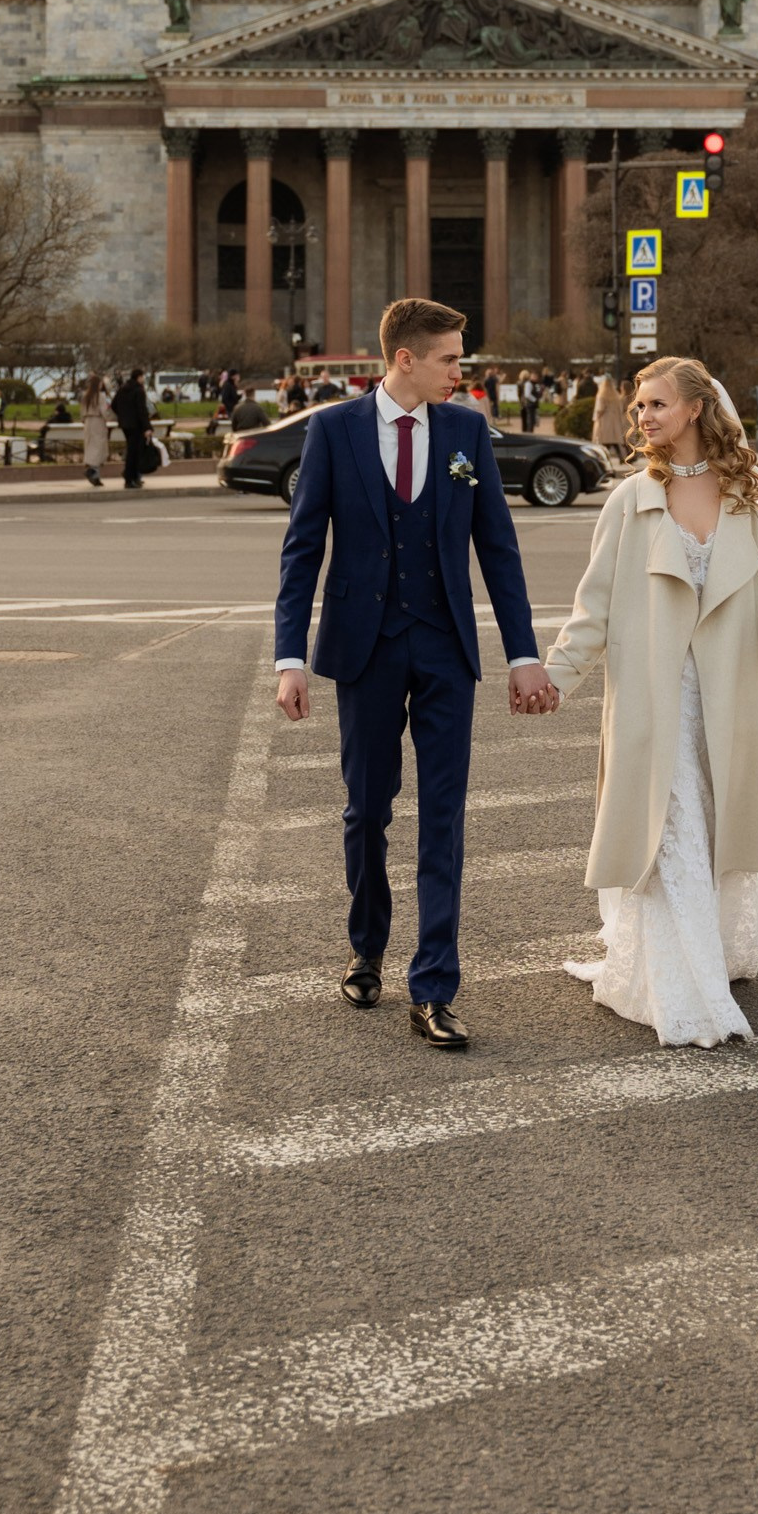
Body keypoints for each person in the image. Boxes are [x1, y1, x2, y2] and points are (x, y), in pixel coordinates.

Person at [272, 296, 558, 1050]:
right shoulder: (334, 430)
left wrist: (523, 653)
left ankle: (433, 986)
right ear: (406, 358)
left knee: (444, 817)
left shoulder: (465, 432)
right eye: (451, 359)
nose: (461, 373)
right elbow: (303, 549)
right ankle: (367, 945)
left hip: (443, 648)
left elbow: (498, 547)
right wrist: (290, 658)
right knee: (367, 809)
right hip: (363, 649)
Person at [545, 356, 758, 1048]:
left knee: (715, 827)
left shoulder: (750, 497)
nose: (642, 416)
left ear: (695, 409)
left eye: (656, 404)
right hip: (652, 699)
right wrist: (555, 677)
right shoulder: (630, 500)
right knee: (668, 832)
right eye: (638, 406)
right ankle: (683, 985)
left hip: (727, 699)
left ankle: (710, 954)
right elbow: (594, 608)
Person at [111, 368, 152, 490]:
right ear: (139, 377)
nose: (143, 379)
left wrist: (123, 416)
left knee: (131, 450)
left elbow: (113, 405)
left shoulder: (122, 389)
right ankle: (130, 478)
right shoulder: (139, 390)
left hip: (125, 425)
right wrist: (147, 427)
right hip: (136, 425)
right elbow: (142, 411)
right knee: (134, 452)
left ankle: (132, 477)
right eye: (143, 377)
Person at [82, 374, 110, 489]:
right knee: (98, 448)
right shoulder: (101, 396)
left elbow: (82, 412)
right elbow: (105, 411)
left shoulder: (85, 395)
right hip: (98, 421)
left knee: (91, 447)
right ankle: (93, 472)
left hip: (88, 422)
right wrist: (112, 418)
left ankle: (95, 475)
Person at [591, 370, 628, 457]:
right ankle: (620, 457)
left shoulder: (601, 395)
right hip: (614, 420)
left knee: (604, 440)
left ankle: (603, 457)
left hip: (604, 420)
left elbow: (600, 409)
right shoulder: (616, 395)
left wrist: (596, 418)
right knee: (614, 440)